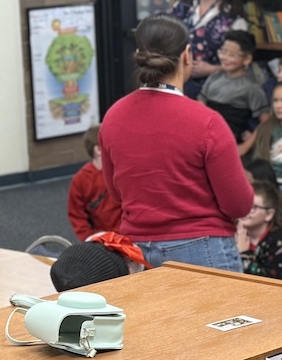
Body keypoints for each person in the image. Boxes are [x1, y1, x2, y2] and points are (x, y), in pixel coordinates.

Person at [99, 14, 253, 271]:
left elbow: (117, 193)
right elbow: (238, 204)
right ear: (187, 55)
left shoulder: (113, 116)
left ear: (139, 54)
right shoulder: (207, 121)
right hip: (202, 248)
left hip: (137, 250)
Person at [169, 0, 248, 100]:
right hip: (174, 82)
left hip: (213, 89)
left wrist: (212, 69)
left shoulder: (232, 19)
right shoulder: (181, 8)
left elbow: (243, 64)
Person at [198, 30, 268, 142]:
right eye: (223, 52)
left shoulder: (251, 88)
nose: (224, 57)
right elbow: (200, 103)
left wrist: (246, 146)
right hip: (204, 132)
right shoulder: (214, 77)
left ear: (247, 59)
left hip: (227, 138)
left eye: (231, 55)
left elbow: (266, 121)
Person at [236, 180, 282, 282]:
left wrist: (244, 254)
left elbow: (269, 282)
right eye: (244, 203)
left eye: (254, 207)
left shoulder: (279, 240)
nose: (246, 209)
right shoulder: (235, 233)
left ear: (269, 214)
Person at [67, 125, 121, 240]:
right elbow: (77, 215)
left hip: (126, 236)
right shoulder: (80, 180)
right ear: (98, 150)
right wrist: (90, 238)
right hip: (98, 239)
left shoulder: (121, 171)